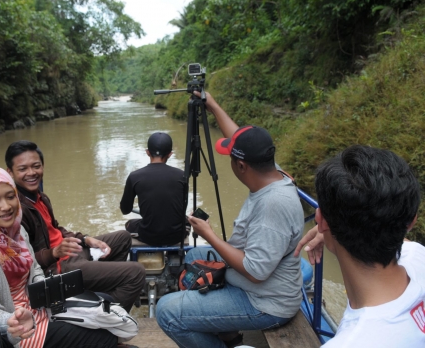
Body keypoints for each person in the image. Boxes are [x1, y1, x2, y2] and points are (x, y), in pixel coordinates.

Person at [156, 92, 304, 348]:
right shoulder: (271, 170)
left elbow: (257, 272)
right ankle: (230, 335)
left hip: (265, 301)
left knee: (166, 311)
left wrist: (209, 234)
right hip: (257, 281)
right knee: (192, 258)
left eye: (231, 159)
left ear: (242, 166)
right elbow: (239, 136)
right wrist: (212, 106)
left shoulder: (272, 205)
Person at [0, 166, 118, 348]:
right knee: (104, 337)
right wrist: (15, 321)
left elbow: (34, 268)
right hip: (17, 329)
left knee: (106, 302)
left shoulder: (15, 229)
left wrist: (47, 291)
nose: (6, 207)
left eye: (10, 196)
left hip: (37, 306)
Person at [294, 145, 425, 347]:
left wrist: (332, 225)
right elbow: (400, 238)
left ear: (319, 221)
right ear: (411, 222)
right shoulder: (419, 256)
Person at [5, 140, 145, 312]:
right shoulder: (16, 210)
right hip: (57, 268)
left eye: (36, 166)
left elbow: (57, 229)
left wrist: (86, 239)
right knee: (136, 272)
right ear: (10, 172)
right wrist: (54, 253)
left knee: (123, 238)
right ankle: (111, 320)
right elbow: (24, 260)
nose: (31, 173)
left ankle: (101, 297)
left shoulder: (40, 197)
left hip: (70, 252)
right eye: (22, 169)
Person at [120, 132, 188, 246]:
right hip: (176, 236)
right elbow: (182, 207)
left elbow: (125, 210)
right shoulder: (182, 176)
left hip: (148, 236)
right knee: (186, 221)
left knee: (130, 224)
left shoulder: (135, 176)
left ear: (147, 152)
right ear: (170, 154)